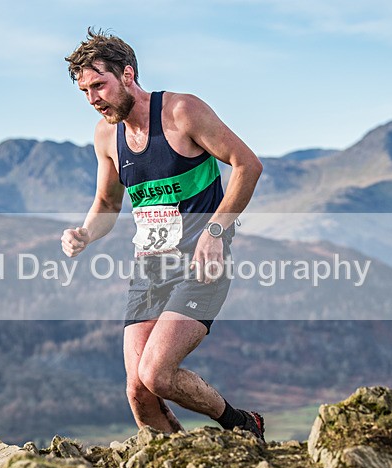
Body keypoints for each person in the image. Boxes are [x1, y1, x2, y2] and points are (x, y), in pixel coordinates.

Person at [61, 28, 265, 441]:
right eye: (85, 91)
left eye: (99, 85)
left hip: (200, 264)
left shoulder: (181, 112)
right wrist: (85, 233)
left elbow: (247, 165)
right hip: (150, 270)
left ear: (128, 75)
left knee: (157, 372)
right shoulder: (107, 136)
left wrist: (215, 231)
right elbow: (107, 204)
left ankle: (242, 425)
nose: (93, 99)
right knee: (138, 390)